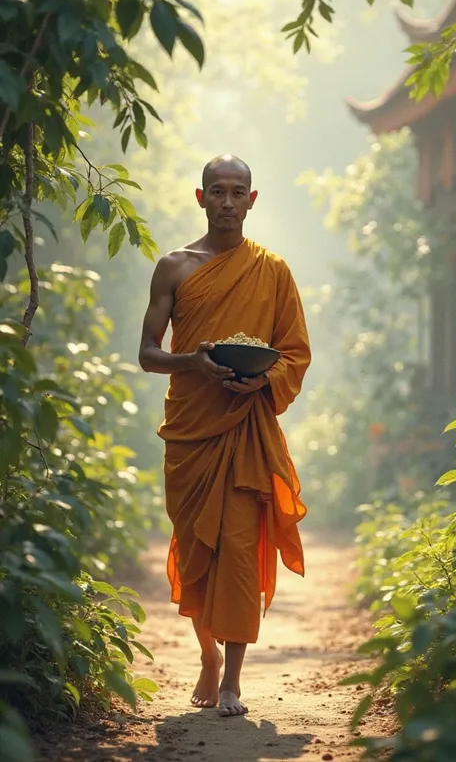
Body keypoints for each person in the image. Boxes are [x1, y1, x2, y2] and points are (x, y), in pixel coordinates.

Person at [138, 154, 311, 717]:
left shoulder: (273, 270)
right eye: (218, 191)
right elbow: (147, 354)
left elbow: (295, 352)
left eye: (239, 192)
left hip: (245, 429)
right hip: (191, 431)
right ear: (201, 197)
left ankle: (232, 681)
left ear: (253, 201)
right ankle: (208, 655)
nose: (229, 202)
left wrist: (261, 380)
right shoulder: (173, 267)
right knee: (197, 554)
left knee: (237, 549)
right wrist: (195, 362)